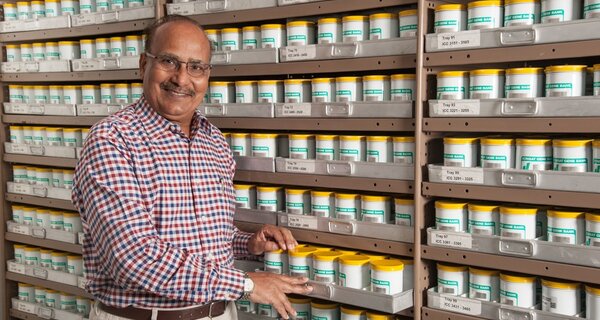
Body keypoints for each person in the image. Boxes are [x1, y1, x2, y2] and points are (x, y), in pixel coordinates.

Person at [72, 15, 312, 320]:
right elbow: (133, 259)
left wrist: (247, 243)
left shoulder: (212, 140)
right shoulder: (112, 140)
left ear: (207, 75)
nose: (182, 79)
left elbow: (207, 237)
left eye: (196, 67)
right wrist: (245, 283)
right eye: (169, 62)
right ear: (144, 65)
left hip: (220, 313)